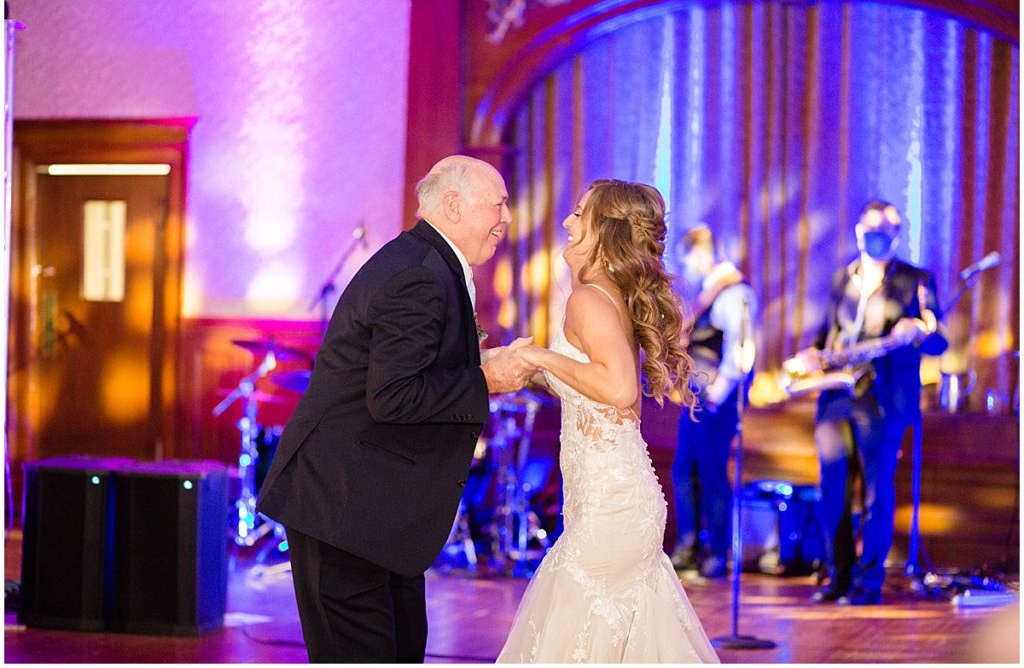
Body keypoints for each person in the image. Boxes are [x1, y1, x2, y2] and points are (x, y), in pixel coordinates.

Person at [256, 155, 537, 663]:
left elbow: (414, 370)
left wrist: (485, 363)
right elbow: (393, 396)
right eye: (498, 204)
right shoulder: (420, 274)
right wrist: (486, 379)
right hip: (341, 512)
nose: (507, 218)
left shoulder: (428, 262)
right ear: (453, 206)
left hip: (374, 516)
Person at [497, 180, 719, 663]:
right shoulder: (603, 295)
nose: (566, 223)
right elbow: (591, 387)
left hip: (610, 509)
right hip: (613, 502)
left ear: (605, 231)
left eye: (578, 214)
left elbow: (618, 389)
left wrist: (541, 356)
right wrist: (530, 370)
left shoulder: (589, 300)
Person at [790, 200, 947, 606]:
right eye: (870, 228)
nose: (877, 235)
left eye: (886, 229)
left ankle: (869, 580)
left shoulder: (916, 280)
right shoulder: (843, 277)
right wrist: (811, 353)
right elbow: (826, 332)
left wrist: (919, 328)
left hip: (882, 398)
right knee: (833, 489)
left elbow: (938, 340)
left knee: (877, 493)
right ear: (859, 230)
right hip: (836, 394)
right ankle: (838, 576)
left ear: (896, 234)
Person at [670, 224, 757, 579]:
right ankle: (689, 545)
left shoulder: (734, 292)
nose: (687, 268)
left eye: (687, 259)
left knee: (711, 471)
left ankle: (717, 550)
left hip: (716, 398)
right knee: (684, 469)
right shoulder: (710, 293)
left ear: (701, 254)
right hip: (698, 395)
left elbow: (741, 347)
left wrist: (719, 394)